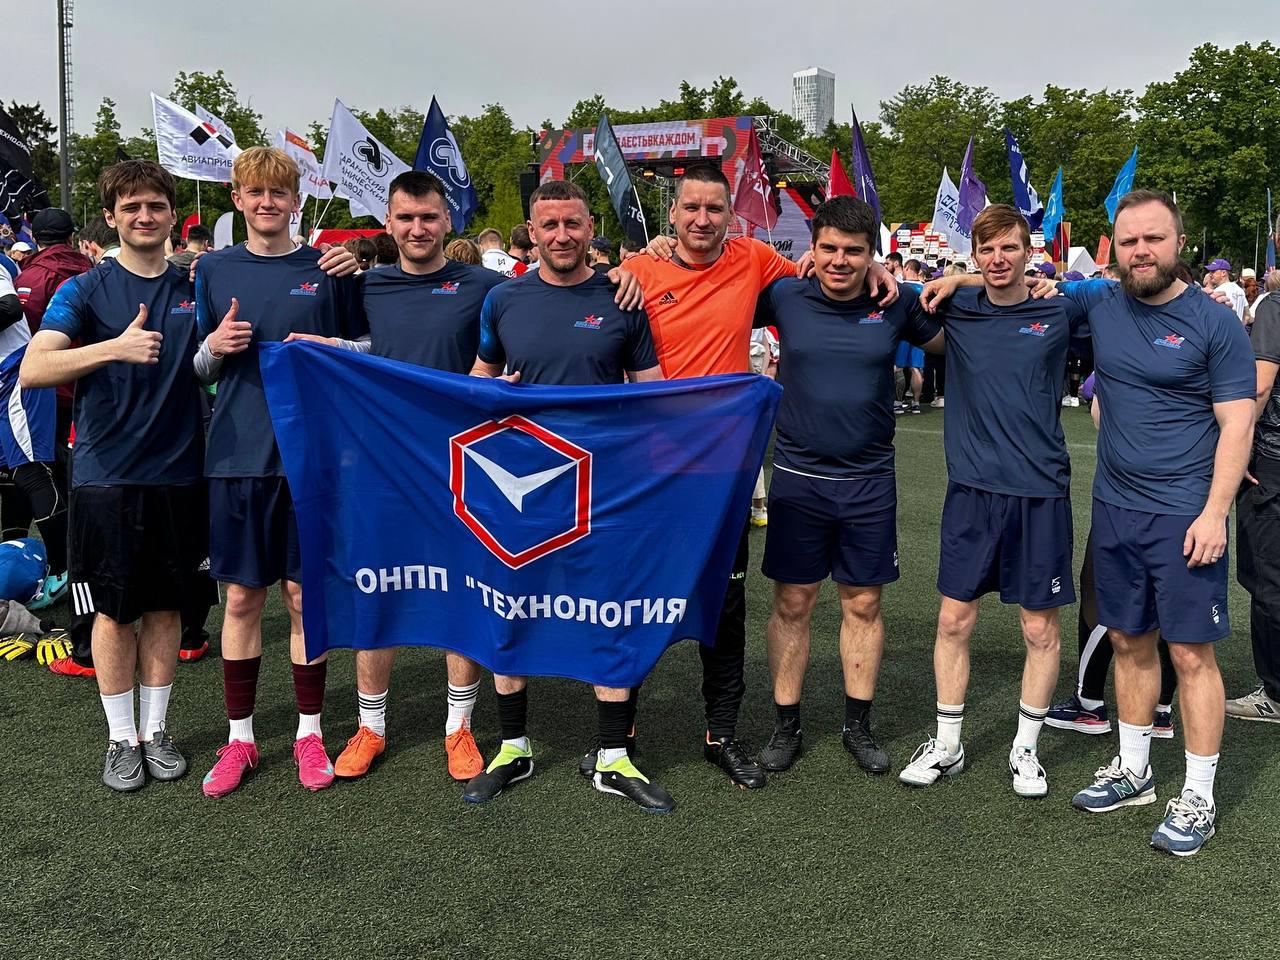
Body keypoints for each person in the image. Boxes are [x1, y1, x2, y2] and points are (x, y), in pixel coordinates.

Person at [623, 163, 898, 789]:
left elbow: (834, 261)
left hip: (725, 467)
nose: (701, 220)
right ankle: (618, 740)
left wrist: (878, 266)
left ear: (732, 215)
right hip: (650, 468)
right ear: (672, 213)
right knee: (638, 601)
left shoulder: (754, 261)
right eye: (691, 208)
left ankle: (722, 734)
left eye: (714, 209)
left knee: (727, 605)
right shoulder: (638, 270)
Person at [1020, 190, 1254, 856]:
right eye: (1129, 241)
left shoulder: (1215, 323)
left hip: (1187, 514)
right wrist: (956, 279)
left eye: (1154, 238)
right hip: (1115, 509)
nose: (1141, 251)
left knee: (1191, 654)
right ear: (1114, 249)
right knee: (1127, 639)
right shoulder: (1100, 300)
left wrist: (1215, 513)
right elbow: (1012, 282)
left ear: (1179, 242)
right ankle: (1135, 769)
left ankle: (1199, 797)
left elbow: (1236, 423)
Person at [466, 178, 669, 812]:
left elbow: (653, 393)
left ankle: (613, 756)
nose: (561, 236)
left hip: (603, 488)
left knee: (610, 612)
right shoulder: (503, 299)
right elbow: (477, 385)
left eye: (572, 224)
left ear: (589, 228)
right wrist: (494, 396)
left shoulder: (622, 297)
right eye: (549, 225)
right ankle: (513, 747)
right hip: (518, 488)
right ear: (531, 231)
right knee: (510, 608)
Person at [312, 171, 507, 784]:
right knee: (377, 587)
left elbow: (548, 309)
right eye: (406, 218)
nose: (418, 228)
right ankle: (370, 726)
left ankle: (459, 726)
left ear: (448, 220)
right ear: (388, 224)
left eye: (428, 217)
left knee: (466, 590)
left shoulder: (487, 286)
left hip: (465, 464)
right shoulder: (364, 286)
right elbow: (333, 342)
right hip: (380, 465)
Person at [19, 160, 207, 792]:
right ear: (110, 217)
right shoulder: (85, 289)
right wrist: (113, 348)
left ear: (171, 214)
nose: (144, 216)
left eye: (154, 205)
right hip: (107, 476)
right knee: (112, 611)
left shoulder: (194, 283)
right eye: (131, 207)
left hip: (179, 474)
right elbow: (34, 369)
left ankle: (156, 731)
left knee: (165, 608)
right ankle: (120, 738)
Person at [899, 204, 1088, 799]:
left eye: (1010, 248)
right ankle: (948, 743)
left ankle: (1025, 749)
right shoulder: (957, 307)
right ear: (974, 254)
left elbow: (1119, 292)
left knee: (1039, 629)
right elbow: (884, 287)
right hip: (972, 492)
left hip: (1040, 492)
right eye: (987, 250)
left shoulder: (1059, 309)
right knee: (954, 619)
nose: (999, 259)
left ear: (1029, 252)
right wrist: (958, 279)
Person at [194, 147, 366, 798]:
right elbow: (195, 367)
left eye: (279, 193)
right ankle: (239, 739)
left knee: (301, 597)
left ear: (297, 201)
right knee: (241, 599)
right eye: (256, 192)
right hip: (237, 457)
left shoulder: (328, 268)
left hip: (313, 459)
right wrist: (213, 348)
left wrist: (334, 345)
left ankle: (309, 733)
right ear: (237, 199)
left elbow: (369, 350)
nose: (268, 202)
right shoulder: (213, 268)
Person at [752, 196, 942, 775]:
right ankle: (786, 725)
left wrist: (960, 277)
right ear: (812, 248)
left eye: (854, 252)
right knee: (793, 602)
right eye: (829, 248)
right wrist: (659, 248)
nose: (840, 261)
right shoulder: (785, 295)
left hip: (868, 480)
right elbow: (711, 283)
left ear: (871, 254)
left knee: (863, 603)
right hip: (798, 479)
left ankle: (857, 726)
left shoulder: (897, 301)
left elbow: (965, 328)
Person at [1046, 372, 1179, 739]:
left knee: (1104, 591)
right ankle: (1160, 709)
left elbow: (1095, 396)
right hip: (1182, 492)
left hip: (1132, 490)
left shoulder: (1128, 347)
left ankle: (1089, 703)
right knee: (1164, 598)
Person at [1229, 269, 1280, 722]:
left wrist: (1239, 447)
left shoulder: (1275, 306)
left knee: (1268, 581)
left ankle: (1276, 693)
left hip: (1272, 464)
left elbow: (1260, 384)